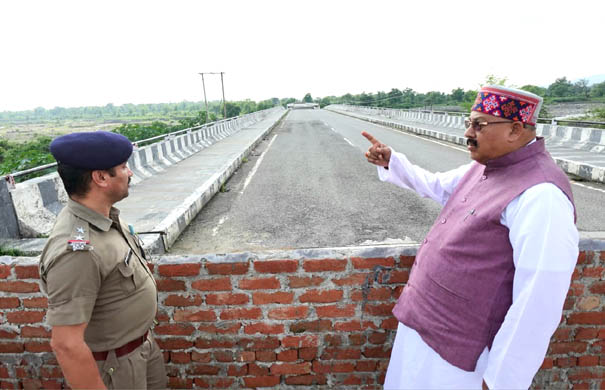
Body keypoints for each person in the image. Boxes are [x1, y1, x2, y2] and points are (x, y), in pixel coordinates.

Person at [363, 85, 578, 389]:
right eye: (468, 123)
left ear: (515, 130)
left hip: (464, 357)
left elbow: (539, 297)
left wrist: (501, 379)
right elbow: (436, 186)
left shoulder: (542, 195)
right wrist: (391, 161)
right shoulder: (484, 167)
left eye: (479, 125)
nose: (468, 132)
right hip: (424, 327)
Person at [39, 131, 166, 389]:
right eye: (123, 167)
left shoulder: (104, 220)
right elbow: (66, 343)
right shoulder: (77, 251)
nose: (129, 173)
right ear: (100, 178)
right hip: (117, 368)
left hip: (139, 350)